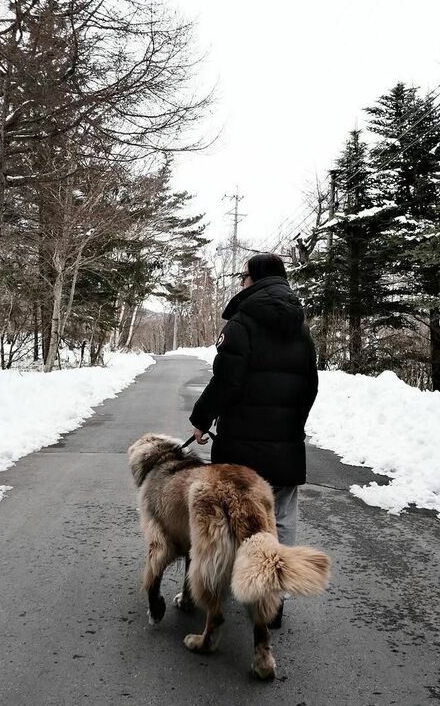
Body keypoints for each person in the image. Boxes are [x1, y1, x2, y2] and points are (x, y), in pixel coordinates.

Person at [189, 252, 319, 627]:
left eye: (243, 276)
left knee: (232, 516)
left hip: (242, 446)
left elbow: (226, 380)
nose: (241, 282)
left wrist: (201, 419)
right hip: (285, 443)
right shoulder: (300, 325)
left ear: (256, 279)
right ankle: (271, 595)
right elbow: (310, 384)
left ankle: (227, 587)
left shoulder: (242, 322)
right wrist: (293, 424)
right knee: (279, 515)